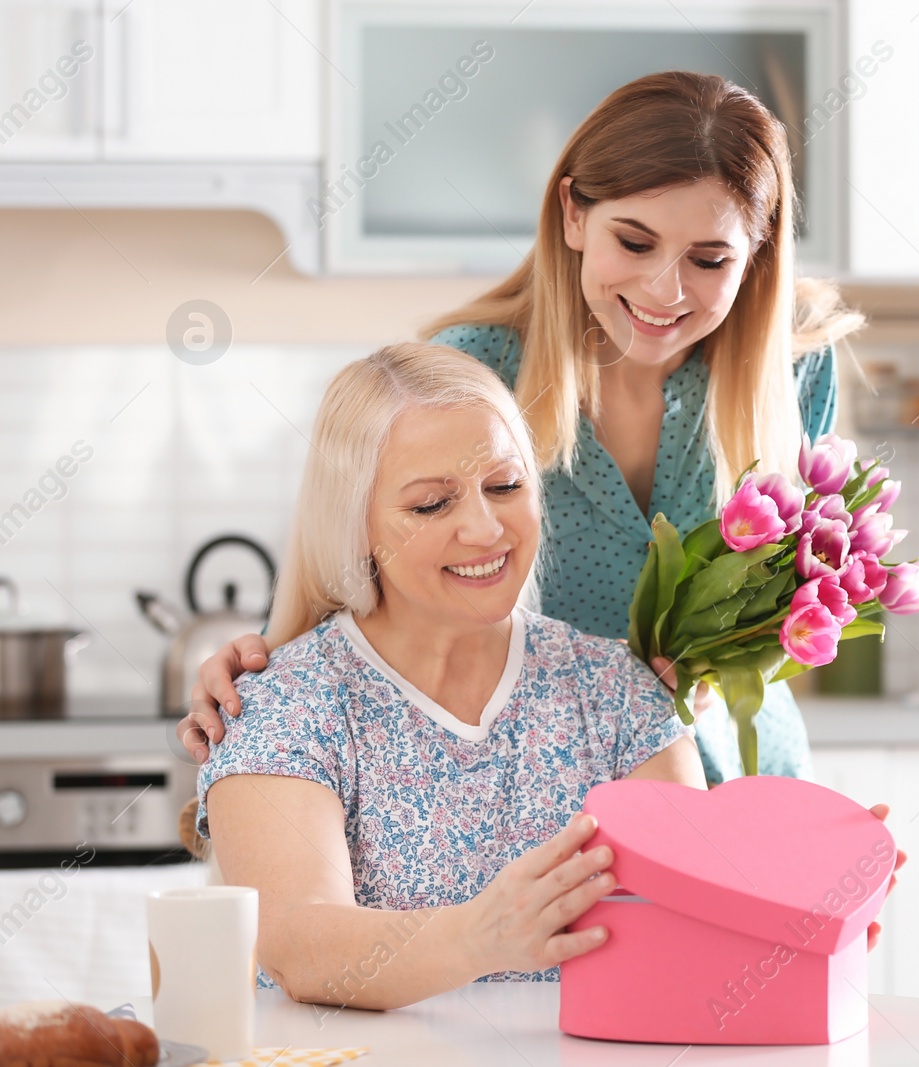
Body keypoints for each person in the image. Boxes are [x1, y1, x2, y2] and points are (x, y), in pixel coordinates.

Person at [179, 70, 863, 785]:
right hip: (537, 791)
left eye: (709, 259)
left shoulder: (795, 371)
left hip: (740, 775)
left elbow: (790, 605)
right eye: (634, 243)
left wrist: (719, 668)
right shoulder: (474, 372)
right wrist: (264, 661)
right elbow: (370, 566)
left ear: (756, 253)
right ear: (573, 213)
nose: (666, 290)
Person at [197, 344, 706, 1008]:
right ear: (355, 528)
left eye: (505, 486)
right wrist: (479, 937)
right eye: (432, 504)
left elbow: (692, 918)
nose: (484, 527)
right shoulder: (286, 703)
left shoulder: (615, 691)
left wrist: (801, 908)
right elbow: (298, 944)